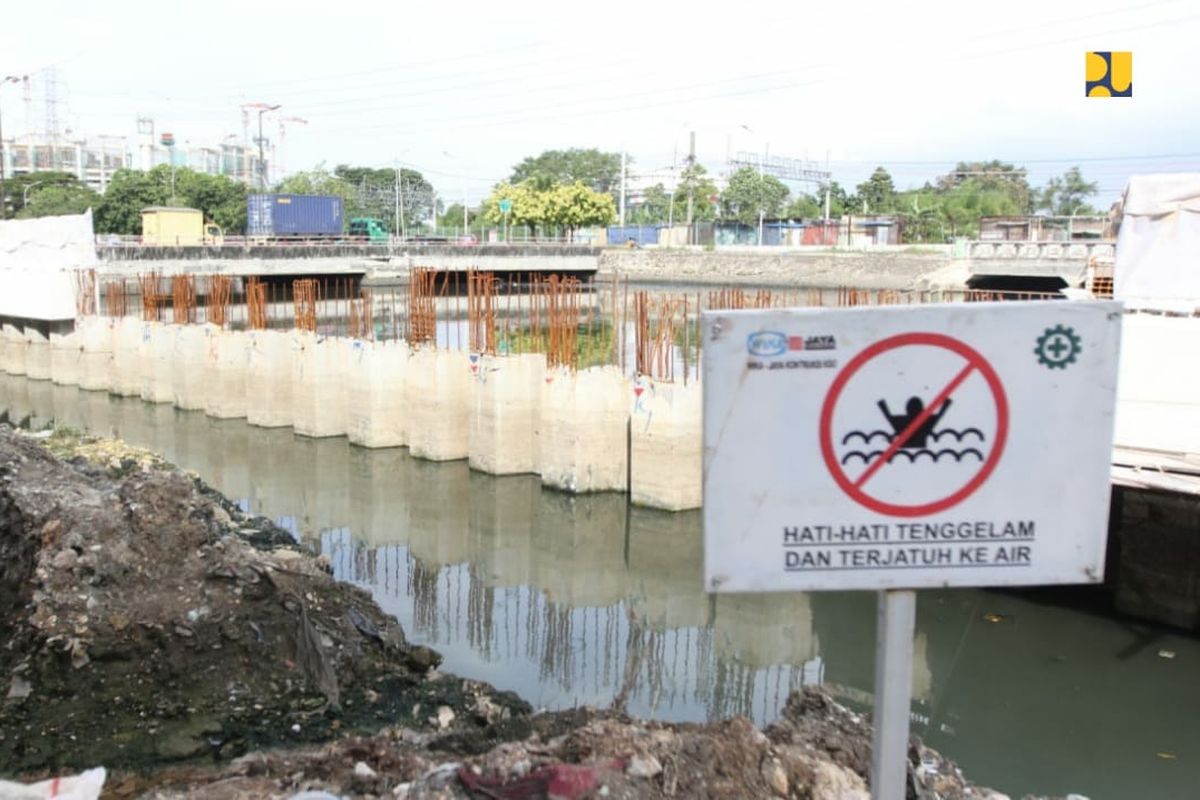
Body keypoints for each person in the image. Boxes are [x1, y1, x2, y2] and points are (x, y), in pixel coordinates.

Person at [877, 396, 952, 449]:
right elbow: (939, 415)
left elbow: (889, 417)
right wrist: (945, 404)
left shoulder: (900, 421)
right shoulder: (927, 421)